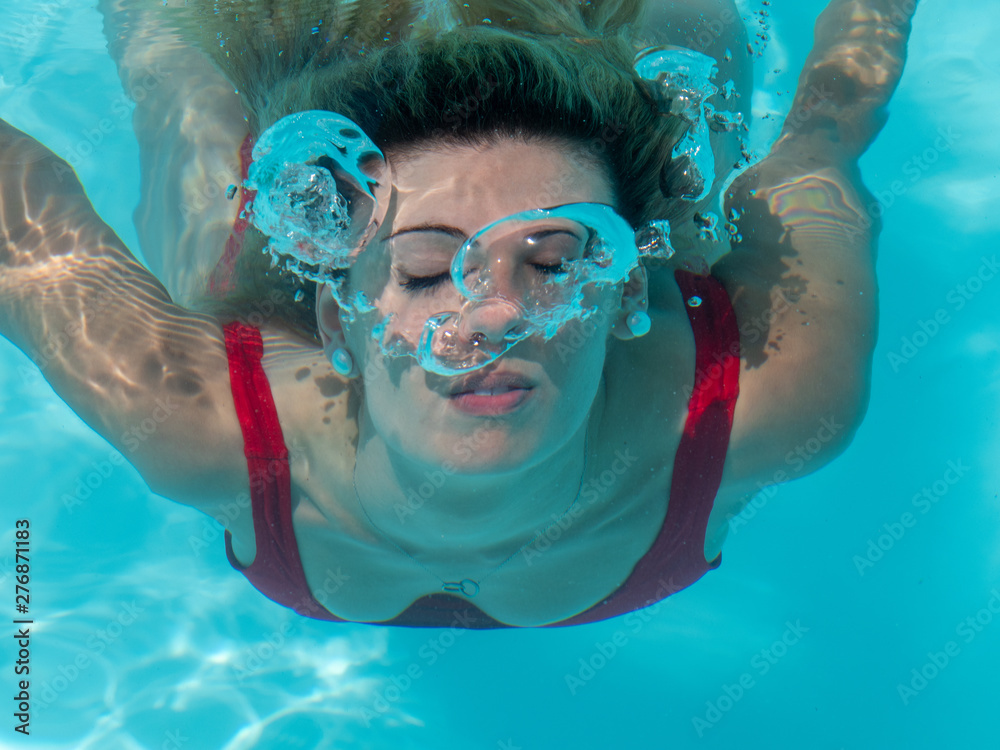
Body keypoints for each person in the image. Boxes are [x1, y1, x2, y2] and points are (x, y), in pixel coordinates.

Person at [0, 0, 915, 628]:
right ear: (335, 318)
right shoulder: (201, 418)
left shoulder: (773, 400)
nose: (492, 317)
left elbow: (817, 148)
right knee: (183, 96)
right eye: (427, 269)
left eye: (556, 262)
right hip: (259, 289)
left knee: (688, 85)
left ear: (626, 290)